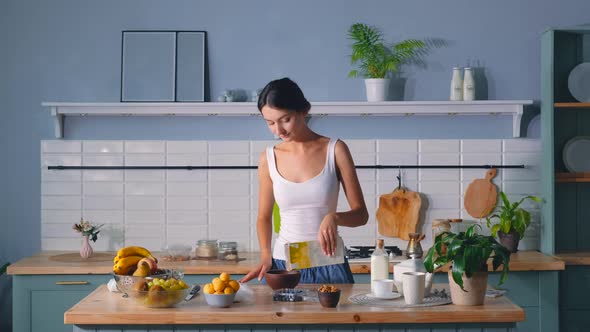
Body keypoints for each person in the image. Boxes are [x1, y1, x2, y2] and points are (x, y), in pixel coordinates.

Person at [239, 77, 369, 284]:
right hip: (283, 266)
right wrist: (266, 255)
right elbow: (263, 216)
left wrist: (335, 217)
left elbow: (361, 215)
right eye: (270, 123)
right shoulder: (268, 157)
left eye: (285, 119)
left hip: (328, 263)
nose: (278, 130)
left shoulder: (336, 150)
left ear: (304, 110)